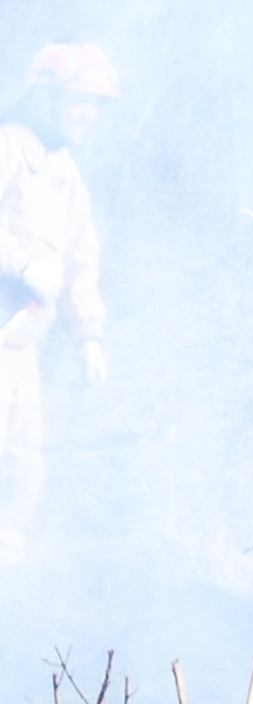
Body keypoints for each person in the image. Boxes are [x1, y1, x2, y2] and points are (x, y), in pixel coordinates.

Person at [0, 42, 117, 562]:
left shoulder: (64, 173)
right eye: (78, 101)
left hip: (21, 350)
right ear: (45, 99)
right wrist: (21, 266)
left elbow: (80, 262)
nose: (88, 114)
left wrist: (89, 333)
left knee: (23, 462)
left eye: (96, 104)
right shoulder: (8, 147)